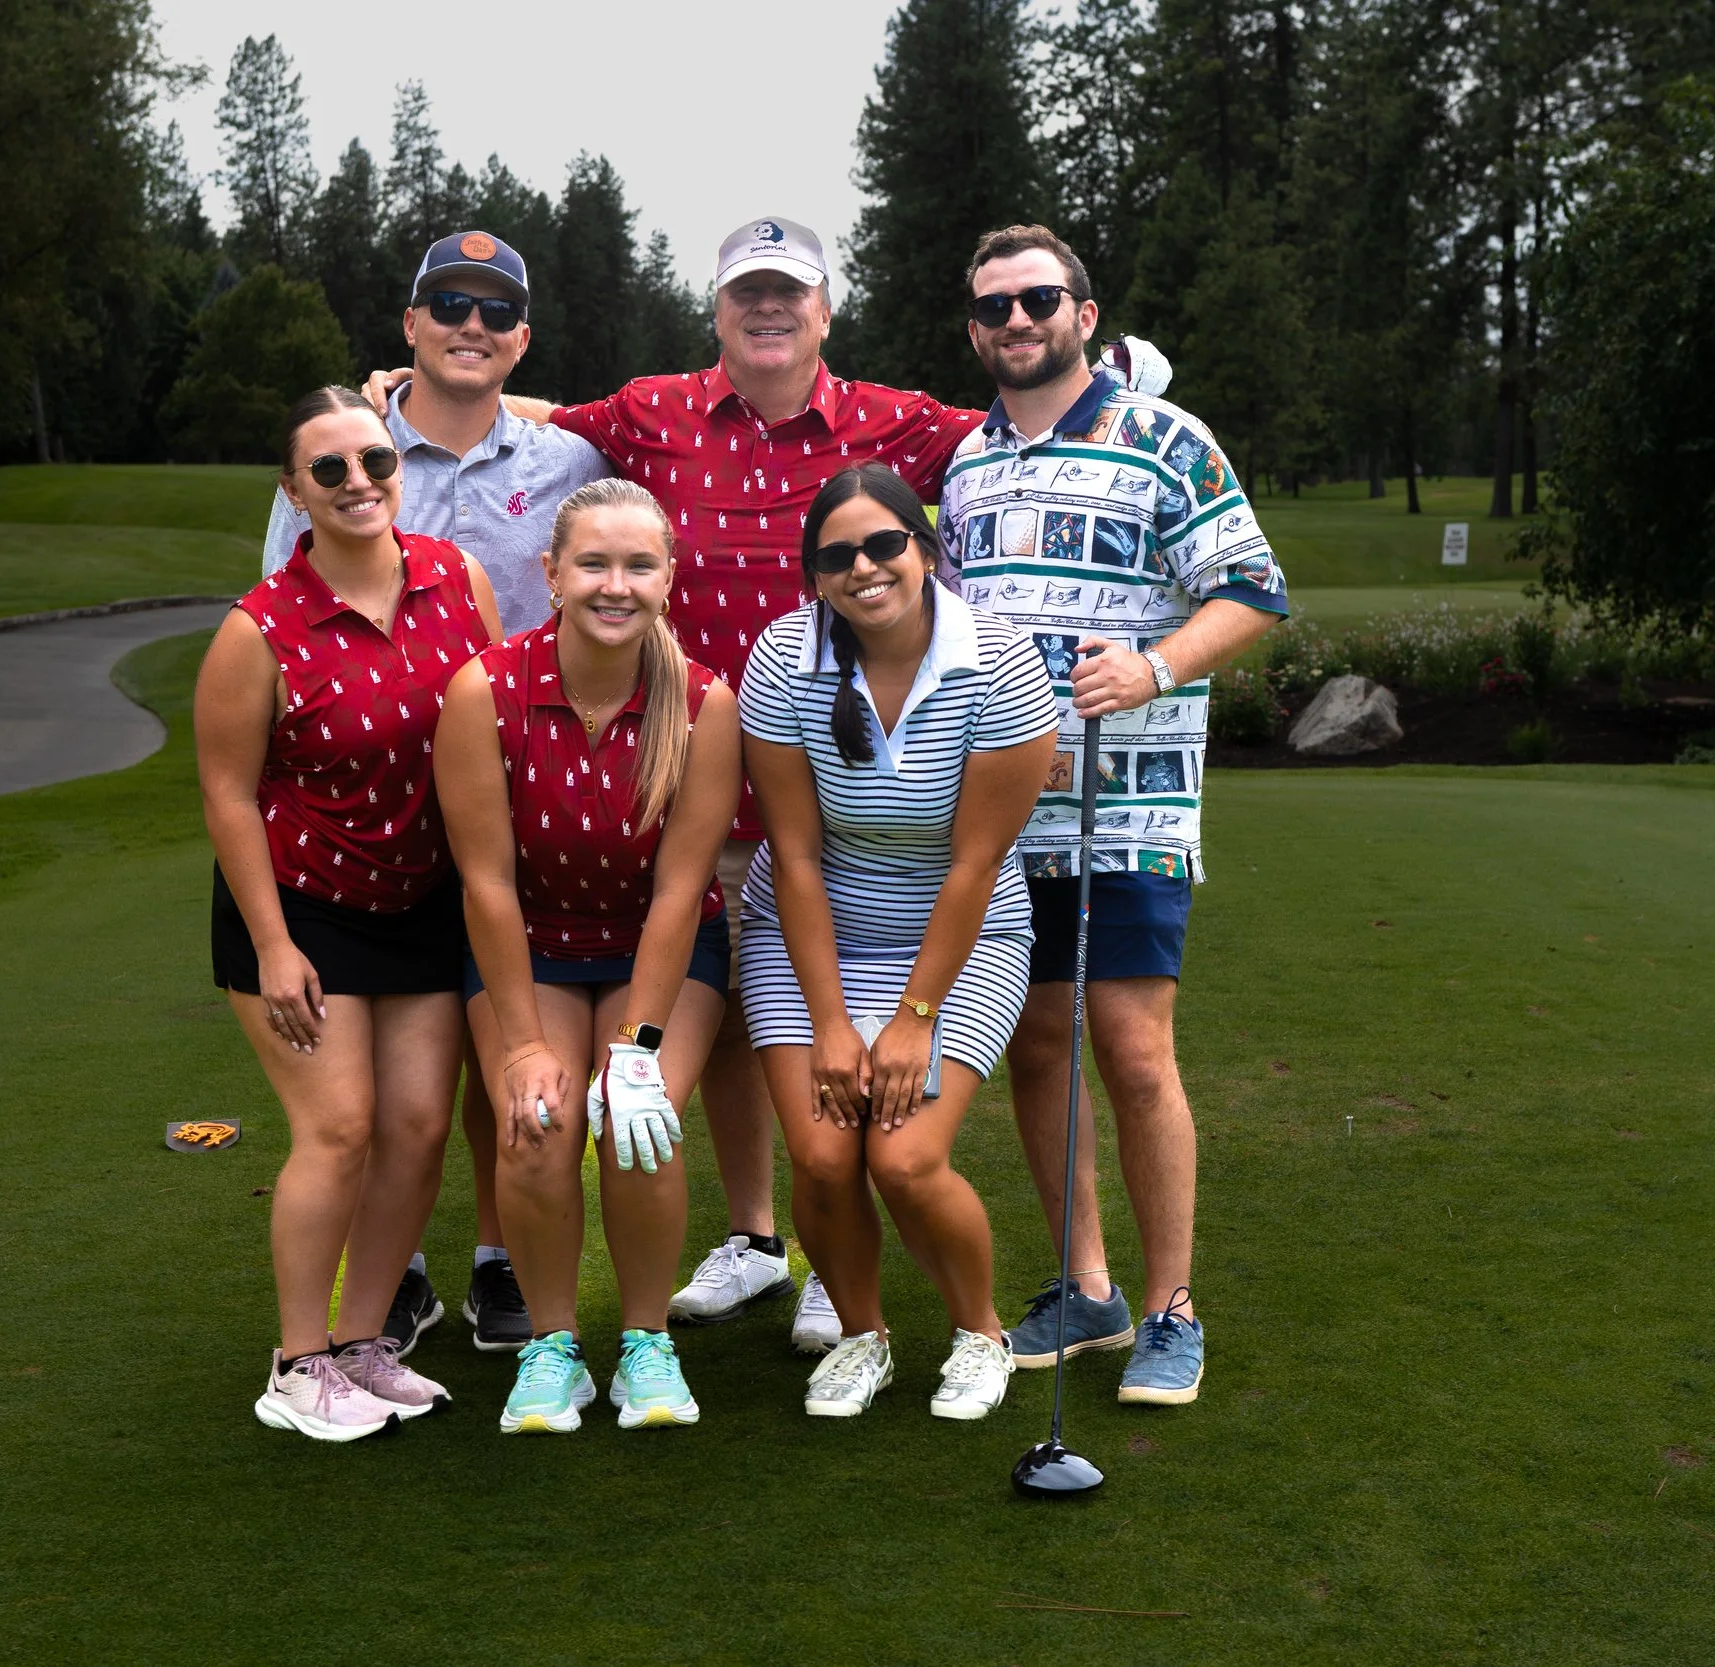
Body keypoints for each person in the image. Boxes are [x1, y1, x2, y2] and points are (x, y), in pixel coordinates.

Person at [366, 217, 1169, 1352]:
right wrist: (402, 398)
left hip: (836, 783)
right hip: (683, 769)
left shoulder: (899, 420)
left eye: (789, 292)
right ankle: (754, 1236)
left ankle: (833, 1258)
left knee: (784, 1008)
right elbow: (534, 419)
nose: (768, 309)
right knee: (739, 1010)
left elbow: (1022, 413)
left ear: (824, 311)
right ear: (718, 312)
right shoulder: (649, 409)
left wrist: (1127, 372)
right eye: (747, 292)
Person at [940, 225, 1288, 1408]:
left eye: (1038, 299)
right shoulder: (966, 463)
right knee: (1038, 1045)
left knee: (1134, 1051)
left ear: (1083, 315)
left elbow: (1251, 590)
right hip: (1006, 813)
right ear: (975, 331)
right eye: (994, 307)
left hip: (1131, 810)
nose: (1016, 320)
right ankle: (1085, 1286)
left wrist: (1151, 666)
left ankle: (1170, 1305)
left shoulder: (1166, 439)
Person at [266, 231, 610, 1353]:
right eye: (449, 304)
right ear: (409, 323)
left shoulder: (566, 459)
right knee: (385, 1079)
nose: (472, 324)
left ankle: (498, 1257)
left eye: (496, 310)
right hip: (360, 812)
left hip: (515, 799)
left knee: (498, 1035)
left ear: (523, 336)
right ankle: (395, 1271)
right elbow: (279, 620)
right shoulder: (347, 446)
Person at [196, 385, 501, 1441]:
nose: (358, 482)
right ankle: (297, 1363)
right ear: (294, 491)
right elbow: (228, 794)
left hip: (425, 900)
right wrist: (273, 946)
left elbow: (492, 723)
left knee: (417, 1127)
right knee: (338, 1128)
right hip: (301, 909)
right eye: (329, 469)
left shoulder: (456, 577)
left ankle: (365, 1341)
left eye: (375, 460)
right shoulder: (258, 627)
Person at [738, 464, 1059, 1420]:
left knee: (905, 1159)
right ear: (815, 575)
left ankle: (981, 1334)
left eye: (884, 544)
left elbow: (975, 863)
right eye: (838, 556)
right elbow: (795, 856)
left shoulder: (1000, 662)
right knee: (825, 1156)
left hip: (962, 935)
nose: (865, 569)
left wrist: (915, 1018)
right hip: (809, 933)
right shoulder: (783, 654)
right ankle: (861, 1336)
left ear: (924, 548)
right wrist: (833, 1024)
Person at [436, 478, 742, 1433]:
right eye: (594, 563)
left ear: (668, 578)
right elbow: (486, 883)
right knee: (536, 1121)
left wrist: (638, 1047)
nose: (616, 585)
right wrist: (524, 1046)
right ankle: (552, 1346)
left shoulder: (703, 701)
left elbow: (680, 890)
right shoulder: (486, 689)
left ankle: (647, 1341)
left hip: (661, 945)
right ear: (552, 573)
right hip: (529, 943)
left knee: (639, 1117)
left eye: (639, 565)